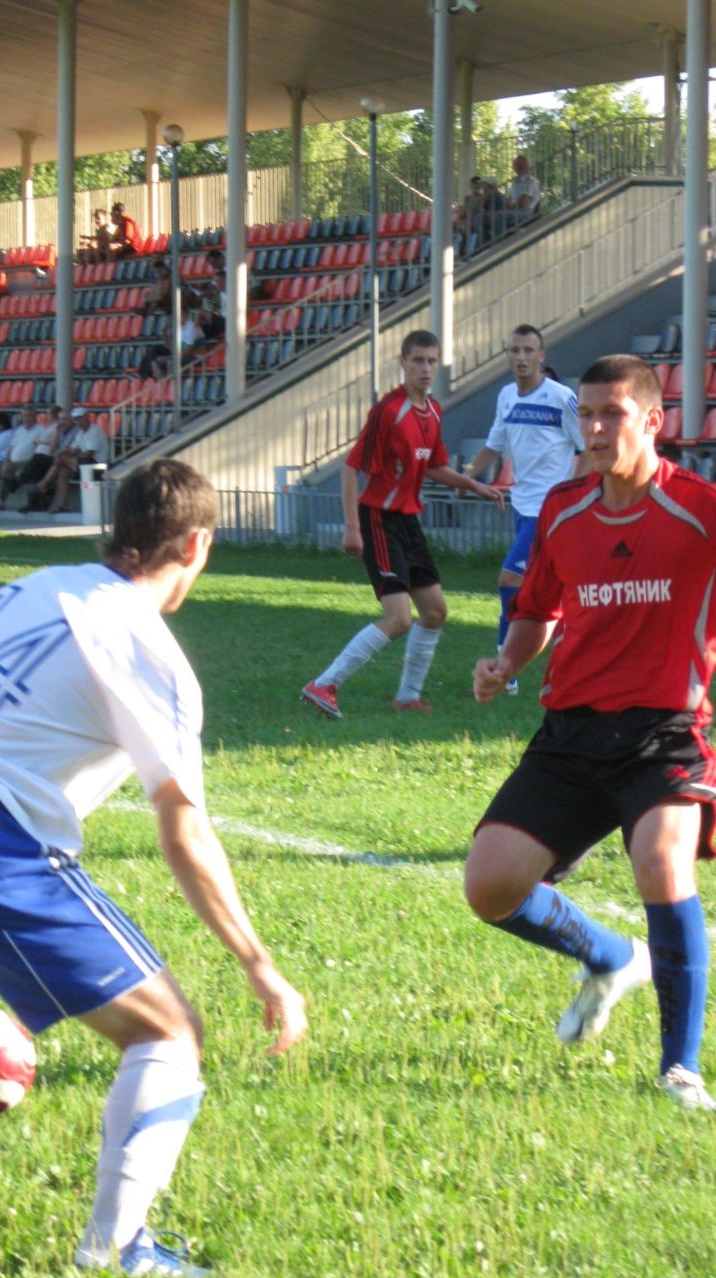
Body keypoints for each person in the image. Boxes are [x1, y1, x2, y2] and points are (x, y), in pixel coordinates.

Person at [0, 458, 308, 1275]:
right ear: (197, 545)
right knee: (168, 1032)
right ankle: (117, 1249)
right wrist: (258, 962)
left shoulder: (30, 587)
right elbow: (183, 830)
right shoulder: (150, 651)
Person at [466, 354, 716, 1112]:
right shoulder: (563, 510)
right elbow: (538, 607)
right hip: (571, 732)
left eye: (612, 414)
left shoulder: (700, 511)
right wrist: (506, 663)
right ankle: (612, 957)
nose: (596, 429)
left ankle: (679, 1069)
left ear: (654, 421)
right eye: (586, 414)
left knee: (661, 863)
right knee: (490, 887)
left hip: (667, 730)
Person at [301, 330, 504, 719]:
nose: (426, 369)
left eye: (432, 361)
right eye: (418, 361)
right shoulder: (389, 410)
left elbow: (434, 466)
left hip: (408, 521)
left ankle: (408, 697)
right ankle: (324, 684)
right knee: (398, 618)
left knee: (435, 612)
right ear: (403, 362)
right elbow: (350, 467)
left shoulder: (434, 411)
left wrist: (474, 484)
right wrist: (352, 527)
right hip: (378, 519)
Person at [464, 324, 586, 694]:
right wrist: (466, 476)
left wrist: (571, 495)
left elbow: (585, 448)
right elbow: (494, 445)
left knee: (510, 580)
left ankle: (507, 672)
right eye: (515, 350)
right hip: (522, 506)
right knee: (553, 590)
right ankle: (573, 660)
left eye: (528, 351)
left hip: (550, 511)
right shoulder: (506, 396)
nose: (521, 357)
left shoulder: (561, 398)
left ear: (541, 355)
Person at [25, 406, 107, 515]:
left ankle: (42, 485)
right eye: (76, 419)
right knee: (62, 472)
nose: (79, 421)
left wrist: (65, 457)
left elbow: (88, 454)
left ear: (87, 417)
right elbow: (72, 449)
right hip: (83, 464)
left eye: (81, 418)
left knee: (59, 459)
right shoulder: (80, 433)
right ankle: (62, 505)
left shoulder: (95, 431)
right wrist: (61, 452)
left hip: (96, 465)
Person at [505, 154, 541, 229]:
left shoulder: (530, 181)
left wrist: (509, 207)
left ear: (527, 167)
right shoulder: (514, 182)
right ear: (513, 167)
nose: (519, 166)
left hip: (525, 214)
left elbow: (522, 203)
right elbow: (508, 201)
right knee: (488, 217)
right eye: (517, 164)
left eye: (522, 164)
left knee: (498, 217)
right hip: (514, 212)